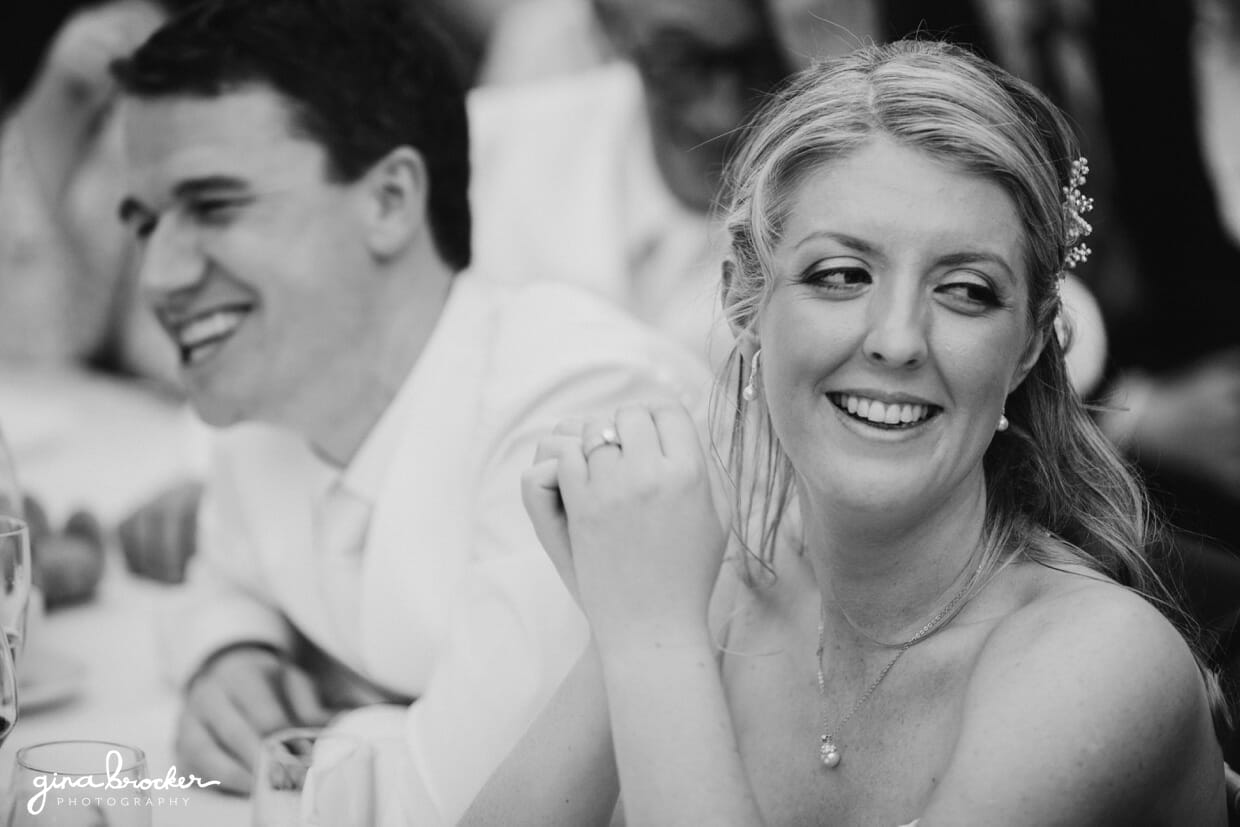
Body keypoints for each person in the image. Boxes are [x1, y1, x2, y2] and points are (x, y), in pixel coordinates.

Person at [463, 40, 1227, 825]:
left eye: (965, 291)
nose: (897, 339)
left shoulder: (1098, 662)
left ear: (1031, 343)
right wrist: (625, 617)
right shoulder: (714, 596)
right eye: (841, 276)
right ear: (742, 298)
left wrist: (651, 638)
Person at [111, 0, 708, 822]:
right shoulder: (275, 392)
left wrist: (309, 744)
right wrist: (231, 647)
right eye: (144, 222)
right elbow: (224, 562)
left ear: (390, 199)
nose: (157, 277)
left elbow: (467, 795)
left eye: (213, 206)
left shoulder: (578, 409)